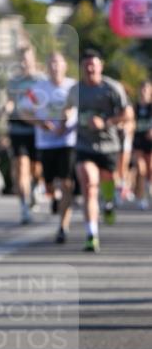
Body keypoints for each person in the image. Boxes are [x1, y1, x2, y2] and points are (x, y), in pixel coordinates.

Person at [64, 49, 128, 252]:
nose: (90, 69)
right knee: (89, 185)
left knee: (108, 178)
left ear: (101, 66)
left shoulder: (112, 88)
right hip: (84, 145)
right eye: (86, 66)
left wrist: (106, 122)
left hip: (109, 145)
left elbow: (128, 113)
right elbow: (67, 108)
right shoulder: (76, 90)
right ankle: (92, 234)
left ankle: (109, 201)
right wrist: (64, 119)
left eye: (94, 65)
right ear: (82, 68)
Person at [21, 51, 77, 243]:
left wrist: (68, 119)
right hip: (46, 142)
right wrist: (39, 123)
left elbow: (82, 109)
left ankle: (63, 227)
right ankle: (54, 196)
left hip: (68, 141)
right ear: (47, 67)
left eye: (58, 63)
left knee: (67, 182)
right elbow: (23, 111)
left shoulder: (73, 87)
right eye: (51, 63)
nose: (55, 67)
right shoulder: (38, 89)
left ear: (64, 66)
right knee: (49, 183)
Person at [4, 46, 46, 224]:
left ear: (33, 60)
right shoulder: (13, 82)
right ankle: (23, 206)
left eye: (26, 59)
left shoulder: (42, 80)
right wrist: (6, 108)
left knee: (36, 167)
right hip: (17, 128)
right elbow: (10, 101)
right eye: (20, 60)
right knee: (21, 165)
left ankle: (36, 186)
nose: (23, 63)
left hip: (37, 128)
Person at [133, 79, 152, 209]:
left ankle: (148, 189)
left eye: (146, 89)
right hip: (138, 141)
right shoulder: (135, 107)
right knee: (140, 169)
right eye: (142, 88)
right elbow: (129, 121)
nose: (144, 91)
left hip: (150, 142)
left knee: (150, 169)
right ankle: (140, 197)